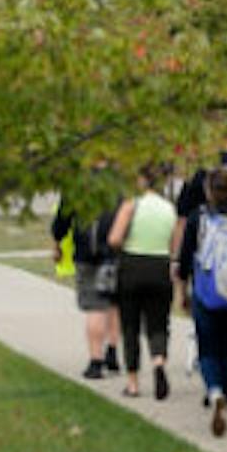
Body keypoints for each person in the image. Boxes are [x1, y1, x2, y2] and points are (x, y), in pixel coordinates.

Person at [173, 166, 227, 434]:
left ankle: (215, 391)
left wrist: (181, 289)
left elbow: (186, 256)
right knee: (226, 347)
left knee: (207, 348)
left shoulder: (200, 217)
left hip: (207, 290)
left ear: (209, 191)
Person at [105, 164, 179, 402]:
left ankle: (133, 382)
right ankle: (158, 361)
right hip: (159, 267)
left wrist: (126, 240)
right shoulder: (170, 209)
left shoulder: (131, 204)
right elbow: (174, 245)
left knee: (131, 326)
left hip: (132, 266)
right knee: (158, 323)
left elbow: (114, 238)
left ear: (142, 180)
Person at [51, 195, 120, 377]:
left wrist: (57, 242)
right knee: (113, 302)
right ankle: (112, 351)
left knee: (94, 307)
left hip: (86, 255)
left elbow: (62, 221)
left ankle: (95, 361)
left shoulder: (77, 185)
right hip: (114, 255)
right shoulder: (119, 183)